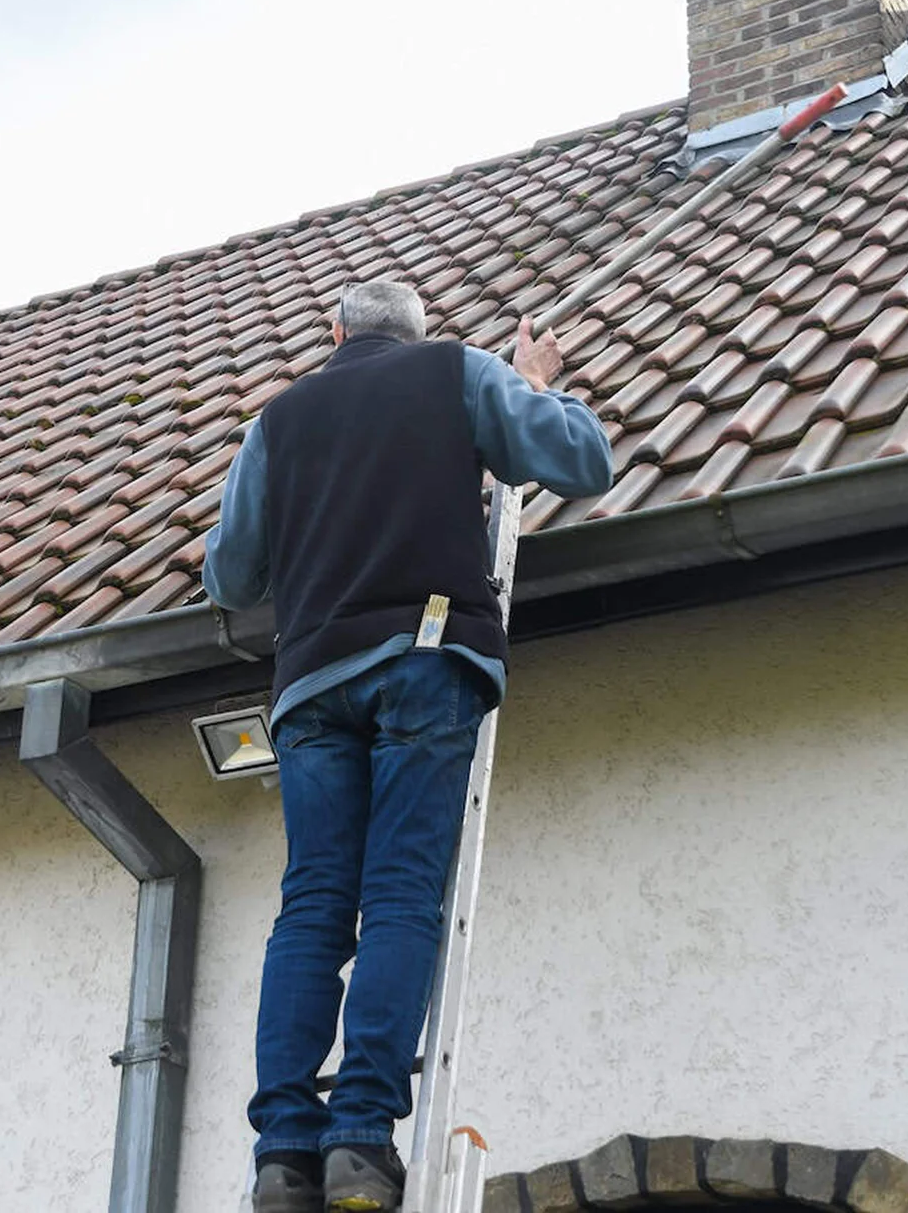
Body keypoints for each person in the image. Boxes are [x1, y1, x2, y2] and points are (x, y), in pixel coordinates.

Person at [203, 280, 614, 1213]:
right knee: (399, 895)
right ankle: (360, 1139)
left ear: (335, 332)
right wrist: (536, 384)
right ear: (418, 335)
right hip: (426, 658)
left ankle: (283, 1154)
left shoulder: (278, 421)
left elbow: (230, 576)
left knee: (311, 909)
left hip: (309, 687)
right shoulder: (457, 372)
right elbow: (584, 462)